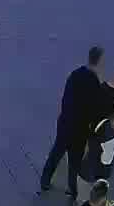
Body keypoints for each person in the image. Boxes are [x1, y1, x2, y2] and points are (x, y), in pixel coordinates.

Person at [41, 46, 105, 196]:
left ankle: (45, 180)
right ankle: (72, 188)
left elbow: (65, 98)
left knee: (56, 152)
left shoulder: (75, 74)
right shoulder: (94, 82)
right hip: (80, 130)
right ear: (99, 61)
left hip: (65, 123)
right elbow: (94, 110)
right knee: (75, 161)